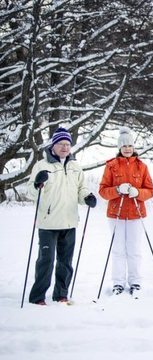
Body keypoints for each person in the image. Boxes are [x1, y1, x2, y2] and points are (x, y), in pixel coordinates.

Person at [27, 127, 97, 305]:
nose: (65, 147)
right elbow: (30, 191)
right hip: (48, 223)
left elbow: (81, 188)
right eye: (61, 144)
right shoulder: (41, 166)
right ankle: (37, 297)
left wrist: (87, 197)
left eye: (68, 144)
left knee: (65, 262)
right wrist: (37, 184)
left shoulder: (75, 167)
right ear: (53, 145)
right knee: (46, 261)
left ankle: (61, 295)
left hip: (69, 221)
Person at [98, 127, 153, 297]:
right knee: (118, 250)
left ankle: (135, 281)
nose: (127, 149)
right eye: (124, 146)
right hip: (116, 214)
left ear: (134, 146)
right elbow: (103, 191)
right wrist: (117, 189)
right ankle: (118, 283)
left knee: (134, 249)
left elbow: (150, 190)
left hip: (136, 214)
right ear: (119, 148)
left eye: (130, 145)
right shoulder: (111, 166)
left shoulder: (142, 166)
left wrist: (138, 193)